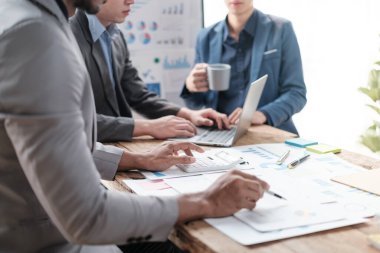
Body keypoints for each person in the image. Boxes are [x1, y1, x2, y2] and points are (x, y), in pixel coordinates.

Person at [0, 0, 269, 253]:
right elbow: (87, 216)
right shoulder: (36, 37)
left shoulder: (29, 17)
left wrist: (140, 158)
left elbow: (54, 149)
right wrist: (207, 200)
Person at [69, 0, 230, 143]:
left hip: (119, 147)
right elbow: (74, 120)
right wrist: (149, 126)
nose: (131, 1)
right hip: (88, 153)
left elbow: (138, 95)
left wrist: (188, 114)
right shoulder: (68, 36)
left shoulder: (116, 36)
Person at [181, 0, 307, 134]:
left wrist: (263, 114)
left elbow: (296, 93)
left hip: (269, 132)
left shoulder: (281, 29)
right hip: (221, 133)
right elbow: (197, 104)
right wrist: (190, 88)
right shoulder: (205, 36)